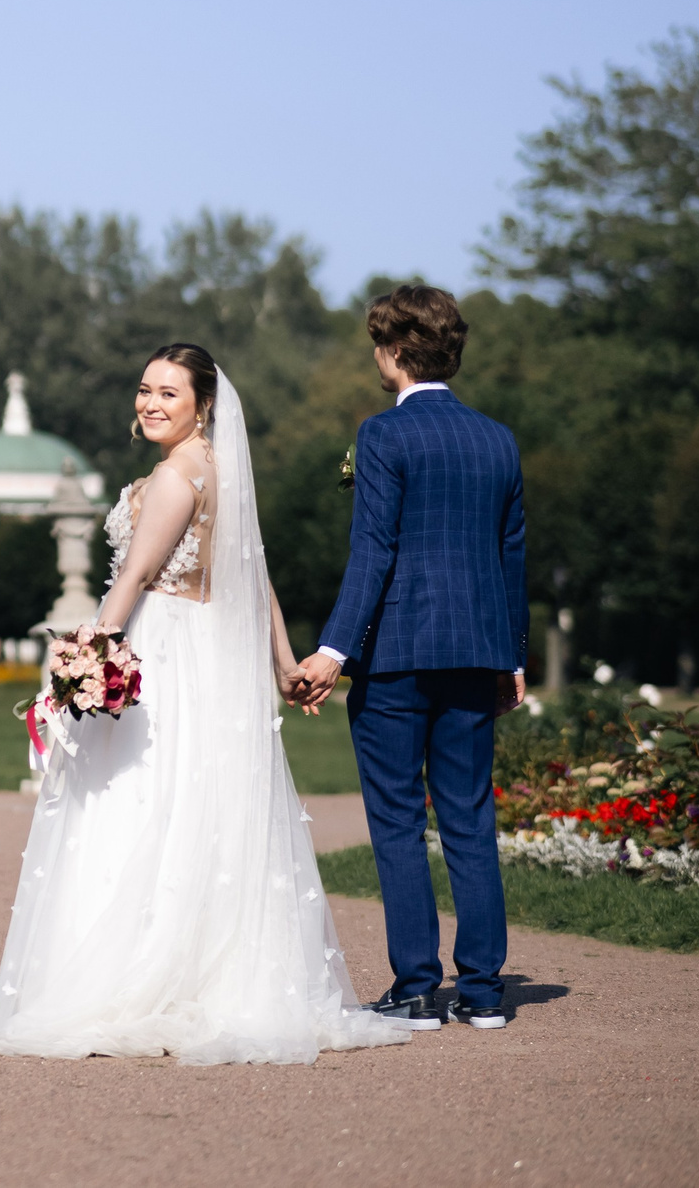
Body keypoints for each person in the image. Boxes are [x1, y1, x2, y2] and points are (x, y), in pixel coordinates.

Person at [0, 345, 410, 1064]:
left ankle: (134, 975)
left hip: (163, 646)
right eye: (144, 390)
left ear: (203, 403)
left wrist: (82, 665)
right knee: (202, 804)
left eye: (169, 392)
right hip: (210, 655)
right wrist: (285, 663)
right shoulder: (222, 473)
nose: (150, 402)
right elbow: (255, 577)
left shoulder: (173, 476)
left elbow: (134, 575)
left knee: (140, 800)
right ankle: (207, 969)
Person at [290, 286, 526, 1031]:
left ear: (392, 351)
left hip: (394, 656)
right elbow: (510, 554)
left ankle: (418, 986)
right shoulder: (498, 439)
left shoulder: (384, 435)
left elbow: (375, 551)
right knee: (468, 818)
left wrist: (333, 649)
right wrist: (512, 655)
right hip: (475, 653)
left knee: (397, 822)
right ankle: (485, 992)